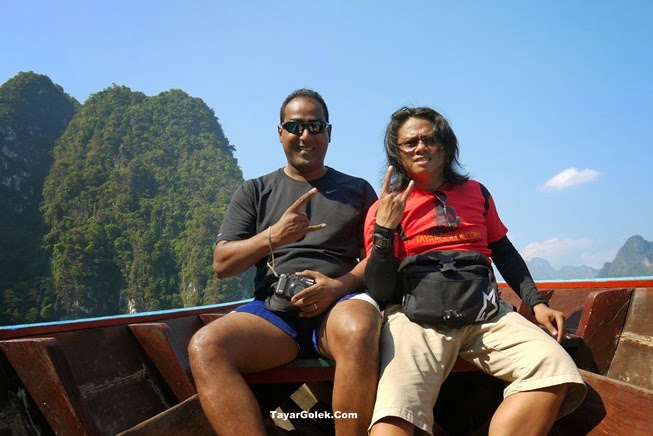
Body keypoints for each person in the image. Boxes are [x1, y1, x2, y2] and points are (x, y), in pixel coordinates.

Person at [363, 106, 586, 435]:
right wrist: (384, 230)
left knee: (554, 369)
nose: (421, 147)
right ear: (397, 152)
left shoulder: (476, 193)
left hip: (485, 314)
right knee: (396, 412)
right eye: (410, 143)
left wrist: (537, 304)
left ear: (446, 145)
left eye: (430, 139)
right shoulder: (385, 207)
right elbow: (380, 291)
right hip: (416, 319)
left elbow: (504, 252)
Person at [188, 88, 382, 435]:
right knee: (207, 347)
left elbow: (378, 257)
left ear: (329, 133)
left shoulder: (358, 190)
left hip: (338, 307)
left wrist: (337, 287)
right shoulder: (255, 191)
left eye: (315, 126)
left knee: (359, 329)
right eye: (295, 126)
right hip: (275, 315)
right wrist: (273, 237)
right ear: (280, 133)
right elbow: (222, 265)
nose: (305, 135)